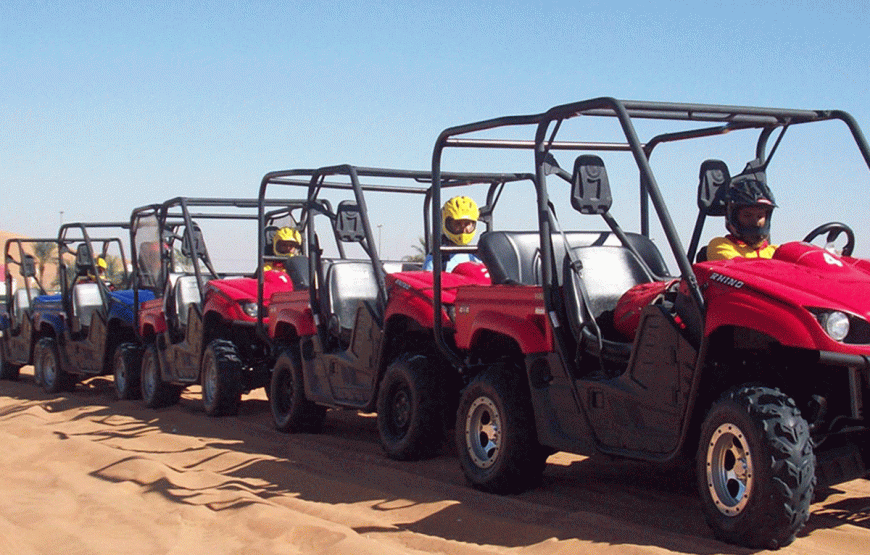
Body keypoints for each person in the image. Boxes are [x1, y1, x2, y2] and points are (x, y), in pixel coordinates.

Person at [706, 176, 778, 261]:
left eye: (760, 216)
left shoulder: (775, 251)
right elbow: (740, 269)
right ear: (733, 218)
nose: (755, 222)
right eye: (747, 215)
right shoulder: (720, 246)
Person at [423, 196, 483, 272]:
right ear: (445, 223)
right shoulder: (437, 258)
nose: (463, 229)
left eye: (467, 224)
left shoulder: (478, 255)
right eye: (457, 224)